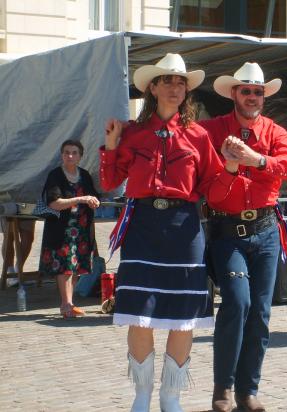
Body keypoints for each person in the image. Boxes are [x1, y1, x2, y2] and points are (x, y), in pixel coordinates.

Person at [100, 53, 235, 412]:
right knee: (140, 311)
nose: (176, 87)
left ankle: (170, 397)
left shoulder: (198, 135)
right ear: (153, 88)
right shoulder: (131, 133)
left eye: (181, 82)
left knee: (183, 314)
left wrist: (233, 168)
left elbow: (215, 188)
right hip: (142, 225)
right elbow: (111, 181)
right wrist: (112, 145)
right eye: (169, 81)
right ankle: (141, 395)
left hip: (184, 229)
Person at [199, 62, 287, 412]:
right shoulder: (211, 130)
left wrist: (257, 160)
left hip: (265, 231)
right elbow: (211, 192)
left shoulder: (275, 131)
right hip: (227, 232)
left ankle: (247, 391)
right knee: (237, 303)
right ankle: (223, 388)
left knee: (260, 312)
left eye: (258, 91)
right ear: (233, 94)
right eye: (247, 90)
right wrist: (229, 166)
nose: (253, 96)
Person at [38, 140, 100, 317]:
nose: (70, 156)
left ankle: (70, 303)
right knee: (64, 268)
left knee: (76, 268)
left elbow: (93, 196)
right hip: (61, 230)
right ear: (61, 155)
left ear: (80, 156)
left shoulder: (85, 175)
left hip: (81, 230)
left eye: (74, 153)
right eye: (66, 152)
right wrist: (81, 199)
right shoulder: (55, 175)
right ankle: (65, 305)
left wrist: (94, 201)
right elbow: (54, 203)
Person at [1, 217, 36, 283]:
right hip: (9, 207)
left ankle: (18, 270)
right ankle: (10, 273)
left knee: (28, 236)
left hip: (27, 208)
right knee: (9, 236)